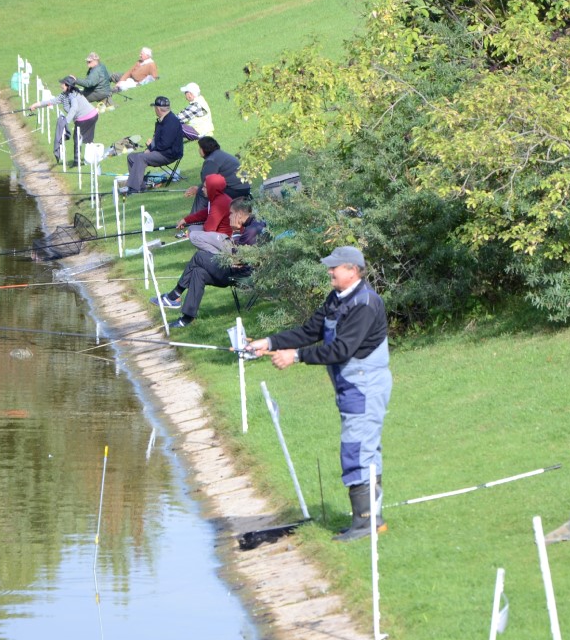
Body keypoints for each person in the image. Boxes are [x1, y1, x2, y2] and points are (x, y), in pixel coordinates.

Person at [246, 247, 392, 542]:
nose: (329, 272)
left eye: (334, 268)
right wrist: (269, 341)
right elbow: (310, 330)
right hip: (350, 386)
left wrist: (295, 357)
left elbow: (341, 350)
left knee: (357, 451)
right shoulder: (337, 299)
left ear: (352, 270)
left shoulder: (365, 304)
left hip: (365, 388)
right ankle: (371, 519)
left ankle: (366, 524)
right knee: (364, 449)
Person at [152, 197, 266, 328]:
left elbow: (234, 258)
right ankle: (186, 319)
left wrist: (234, 231)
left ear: (239, 214)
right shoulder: (255, 224)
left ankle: (174, 296)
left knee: (200, 256)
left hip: (241, 276)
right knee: (198, 272)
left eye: (231, 214)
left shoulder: (251, 231)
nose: (229, 217)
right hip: (240, 271)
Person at [30, 75, 99, 167]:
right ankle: (91, 158)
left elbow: (74, 108)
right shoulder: (64, 95)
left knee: (77, 139)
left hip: (87, 117)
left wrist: (66, 121)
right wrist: (36, 105)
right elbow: (52, 101)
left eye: (62, 83)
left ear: (68, 85)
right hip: (91, 115)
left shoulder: (72, 95)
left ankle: (77, 162)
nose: (61, 85)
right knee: (87, 139)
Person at [124, 96, 183, 194]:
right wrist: (151, 146)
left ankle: (134, 189)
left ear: (158, 109)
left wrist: (151, 149)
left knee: (140, 158)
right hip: (161, 151)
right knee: (131, 157)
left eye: (155, 107)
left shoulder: (171, 122)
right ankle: (140, 186)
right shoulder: (163, 120)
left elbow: (165, 144)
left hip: (169, 154)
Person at [184, 136, 248, 214]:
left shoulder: (211, 160)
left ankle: (195, 220)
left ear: (204, 149)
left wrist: (197, 189)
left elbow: (207, 183)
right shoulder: (220, 155)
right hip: (243, 188)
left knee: (202, 193)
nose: (198, 150)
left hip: (235, 190)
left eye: (199, 148)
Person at [177, 173, 232, 254]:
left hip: (227, 240)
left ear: (212, 188)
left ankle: (220, 257)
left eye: (205, 187)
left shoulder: (219, 203)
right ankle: (207, 254)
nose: (202, 189)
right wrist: (186, 220)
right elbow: (205, 213)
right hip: (220, 235)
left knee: (194, 236)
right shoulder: (217, 198)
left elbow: (209, 228)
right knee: (192, 229)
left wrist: (206, 222)